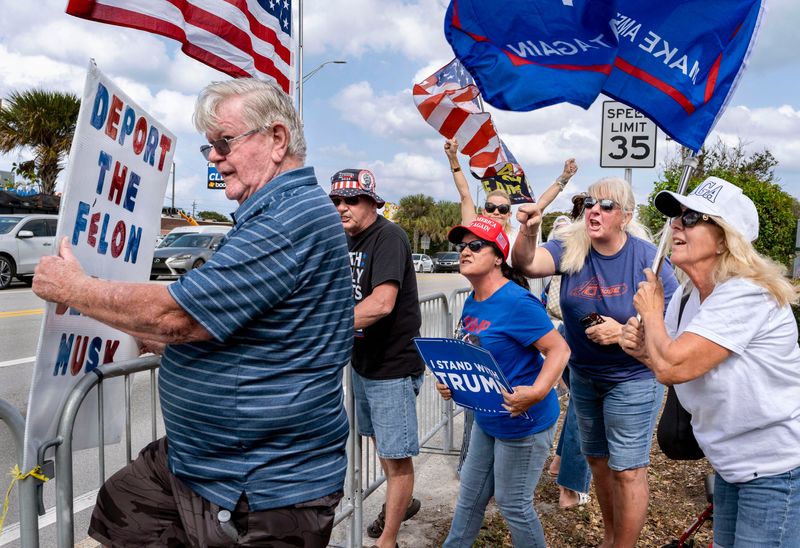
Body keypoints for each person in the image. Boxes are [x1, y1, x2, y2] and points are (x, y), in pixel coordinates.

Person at [32, 78, 353, 547]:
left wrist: (76, 288)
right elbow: (249, 330)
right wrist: (159, 339)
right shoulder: (275, 214)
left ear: (277, 139)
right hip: (200, 462)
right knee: (121, 508)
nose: (216, 158)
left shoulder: (289, 219)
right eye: (209, 148)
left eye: (225, 142)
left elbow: (178, 316)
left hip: (261, 486)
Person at [620, 177, 800, 547]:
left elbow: (674, 366)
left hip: (774, 470)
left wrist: (651, 313)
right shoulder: (689, 296)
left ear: (724, 238)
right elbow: (663, 364)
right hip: (733, 466)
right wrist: (639, 346)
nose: (675, 225)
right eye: (676, 217)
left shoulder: (745, 293)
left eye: (691, 218)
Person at [512, 177, 679, 548]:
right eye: (590, 202)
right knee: (599, 463)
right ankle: (610, 535)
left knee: (628, 470)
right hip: (585, 377)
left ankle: (625, 545)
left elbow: (674, 318)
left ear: (626, 216)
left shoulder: (645, 257)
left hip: (633, 377)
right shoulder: (571, 247)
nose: (594, 210)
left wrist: (625, 331)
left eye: (606, 205)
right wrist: (529, 230)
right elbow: (526, 263)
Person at [436, 216, 570, 547]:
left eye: (475, 245)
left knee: (514, 506)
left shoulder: (517, 302)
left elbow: (559, 350)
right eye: (461, 246)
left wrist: (538, 392)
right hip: (487, 418)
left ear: (498, 257)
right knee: (469, 499)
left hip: (524, 423)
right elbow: (478, 358)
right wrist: (454, 383)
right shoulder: (472, 299)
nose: (465, 251)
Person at [329, 169, 423, 548]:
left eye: (351, 200)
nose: (341, 208)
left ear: (372, 201)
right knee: (385, 450)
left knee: (396, 457)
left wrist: (324, 327)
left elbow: (382, 303)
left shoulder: (389, 237)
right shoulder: (344, 239)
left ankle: (388, 540)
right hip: (363, 362)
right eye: (336, 200)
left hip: (392, 366)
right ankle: (402, 502)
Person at [443, 137, 577, 248]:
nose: (496, 212)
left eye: (502, 209)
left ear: (509, 214)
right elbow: (465, 195)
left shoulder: (516, 235)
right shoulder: (473, 229)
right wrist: (453, 158)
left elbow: (541, 204)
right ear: (483, 212)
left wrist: (564, 177)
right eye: (490, 207)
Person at [543, 214, 593, 509]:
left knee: (577, 405)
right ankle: (571, 488)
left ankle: (559, 463)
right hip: (576, 331)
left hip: (565, 329)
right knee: (582, 414)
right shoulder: (577, 250)